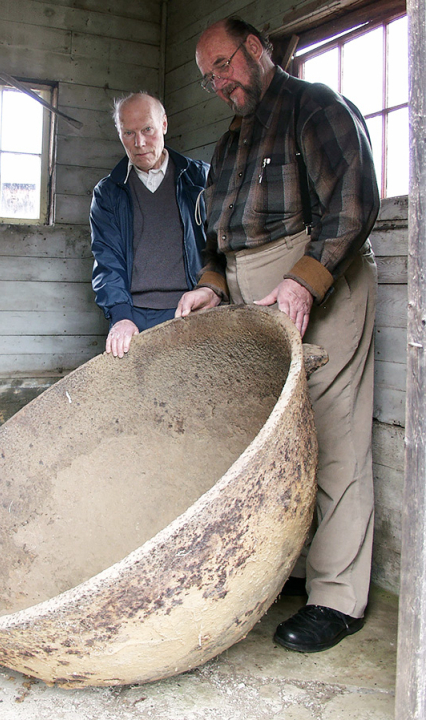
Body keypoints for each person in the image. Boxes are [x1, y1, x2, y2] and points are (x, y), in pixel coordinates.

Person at [177, 18, 380, 653]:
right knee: (272, 437)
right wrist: (211, 283)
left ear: (257, 50)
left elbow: (354, 200)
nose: (218, 82)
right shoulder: (231, 141)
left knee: (333, 429)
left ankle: (338, 598)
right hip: (249, 293)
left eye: (224, 66)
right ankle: (290, 566)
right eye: (208, 75)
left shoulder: (314, 107)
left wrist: (305, 279)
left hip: (318, 284)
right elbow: (217, 233)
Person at [90, 92, 209, 358]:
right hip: (134, 315)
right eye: (128, 133)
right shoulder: (108, 192)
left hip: (193, 308)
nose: (139, 143)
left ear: (164, 125)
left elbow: (221, 246)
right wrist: (120, 316)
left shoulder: (201, 179)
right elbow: (107, 260)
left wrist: (210, 291)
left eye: (147, 129)